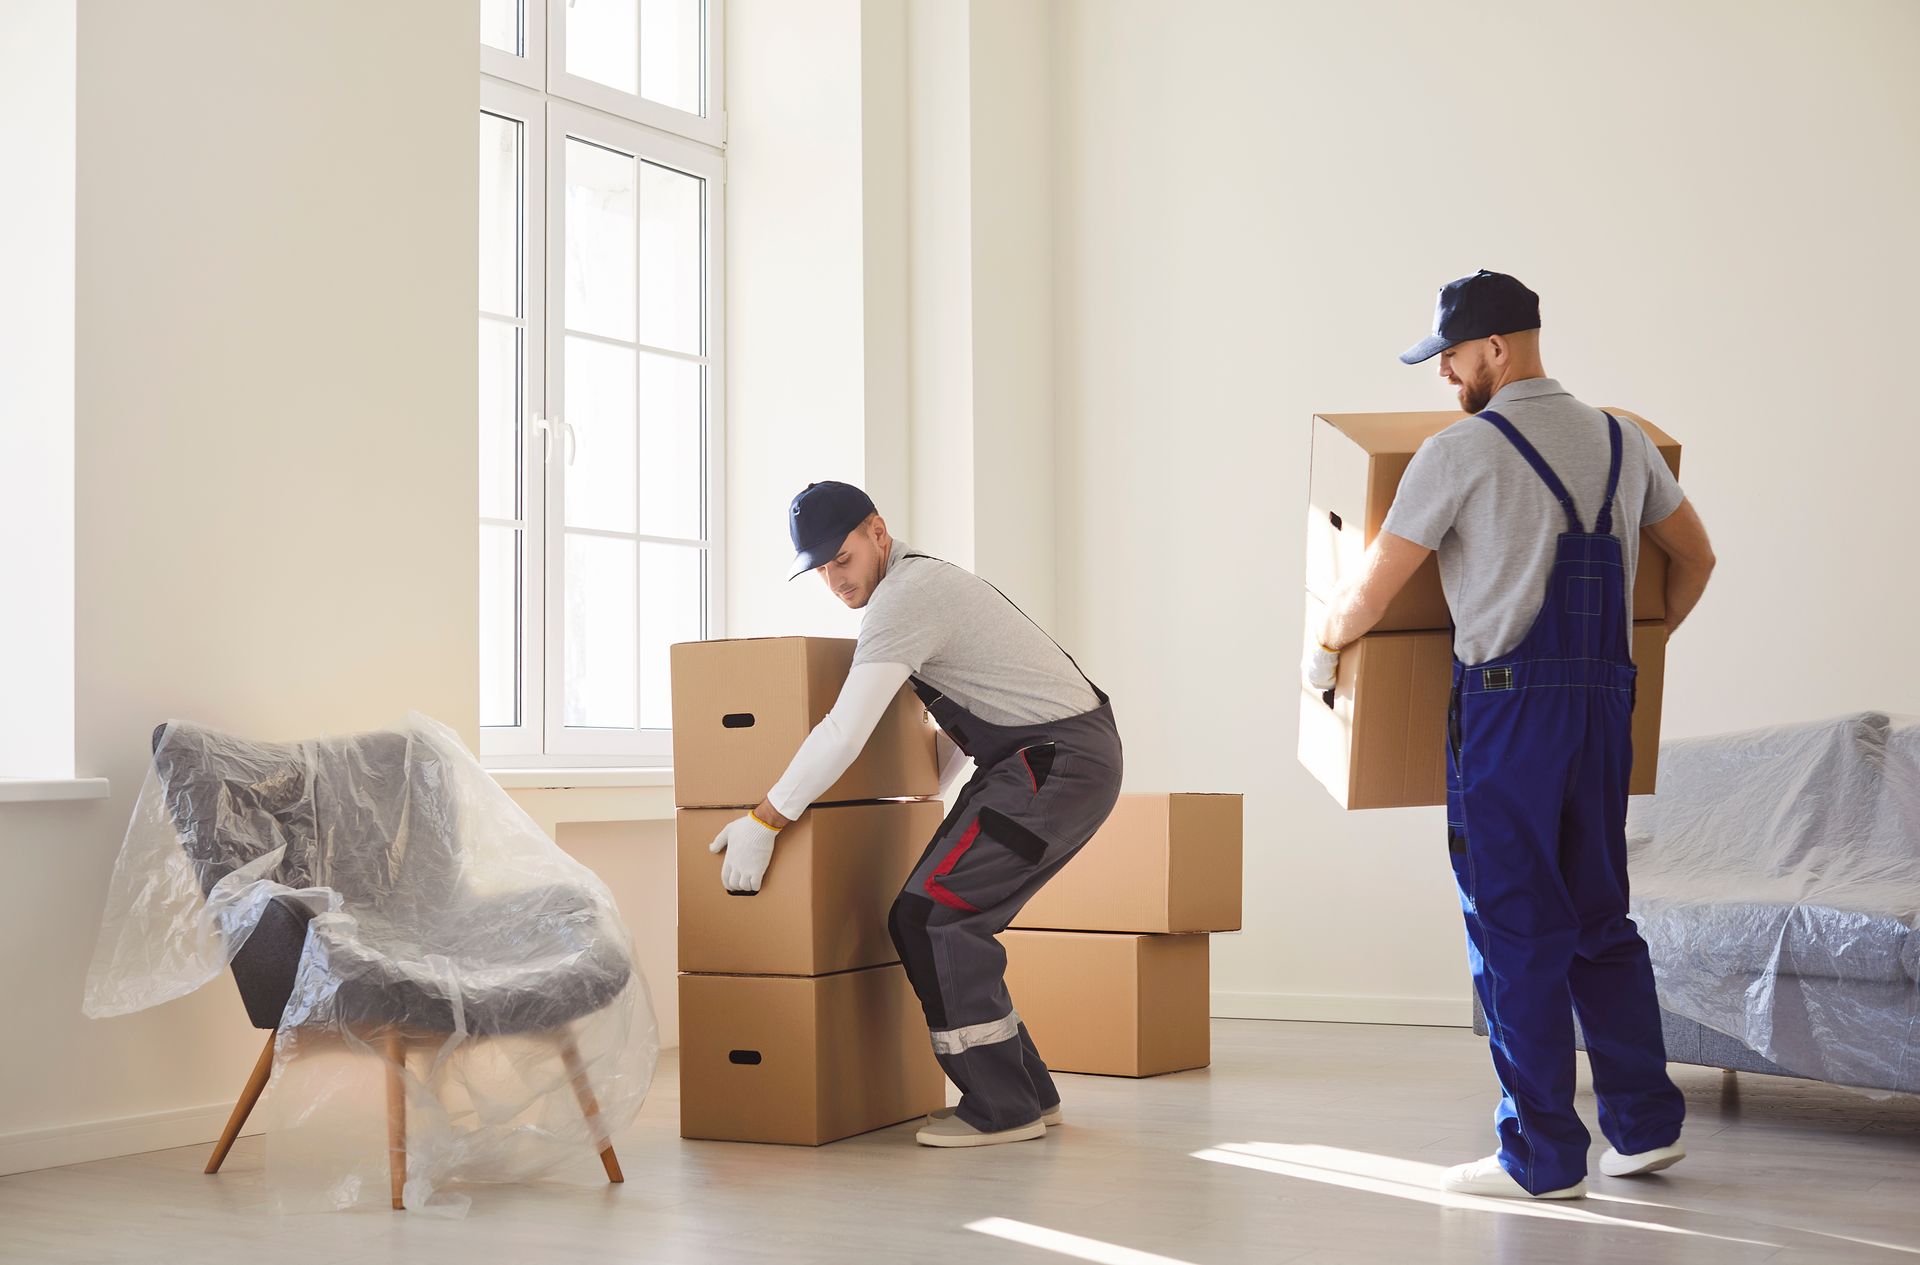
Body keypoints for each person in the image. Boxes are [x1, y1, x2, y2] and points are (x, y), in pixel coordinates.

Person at [1304, 270, 1718, 1199]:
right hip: (1603, 703)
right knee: (1601, 917)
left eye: (1451, 355)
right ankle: (1646, 1129)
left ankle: (1539, 1157)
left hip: (1507, 710)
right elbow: (1695, 558)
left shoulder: (1460, 453)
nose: (1446, 374)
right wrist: (1635, 649)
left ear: (1498, 347)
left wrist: (1322, 650)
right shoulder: (1623, 439)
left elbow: (1371, 590)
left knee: (1516, 925)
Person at [707, 480, 1125, 1148]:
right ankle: (1026, 1094)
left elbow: (844, 731)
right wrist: (920, 786)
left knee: (935, 915)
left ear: (877, 532)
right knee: (948, 916)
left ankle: (1000, 1107)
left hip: (1051, 764)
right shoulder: (923, 586)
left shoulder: (903, 598)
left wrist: (764, 820)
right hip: (1051, 759)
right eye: (819, 569)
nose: (835, 580)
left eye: (841, 559)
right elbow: (977, 706)